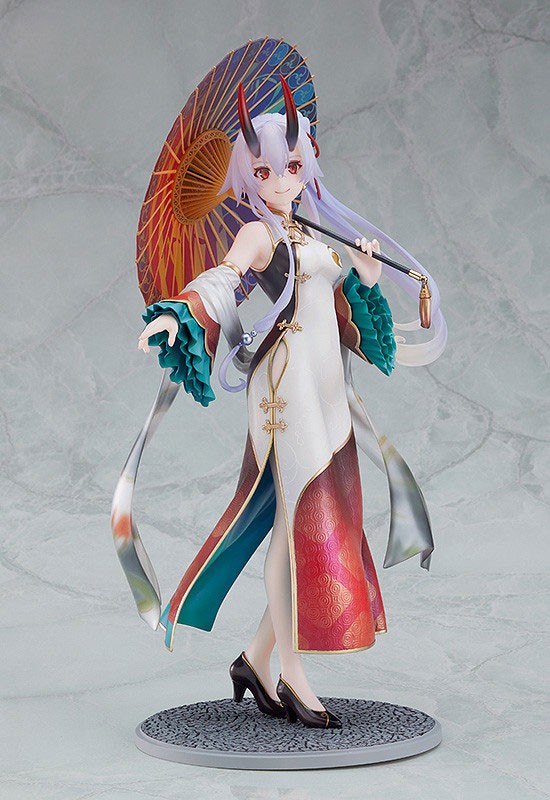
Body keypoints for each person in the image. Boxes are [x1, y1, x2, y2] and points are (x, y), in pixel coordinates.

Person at [132, 78, 447, 729]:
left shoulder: (309, 231)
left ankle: (254, 658)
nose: (281, 180)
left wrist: (364, 274)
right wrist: (177, 316)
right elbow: (221, 281)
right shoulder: (258, 233)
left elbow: (339, 312)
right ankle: (293, 673)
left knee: (317, 516)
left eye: (292, 166)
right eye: (265, 171)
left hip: (327, 390)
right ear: (247, 177)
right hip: (284, 391)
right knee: (298, 520)